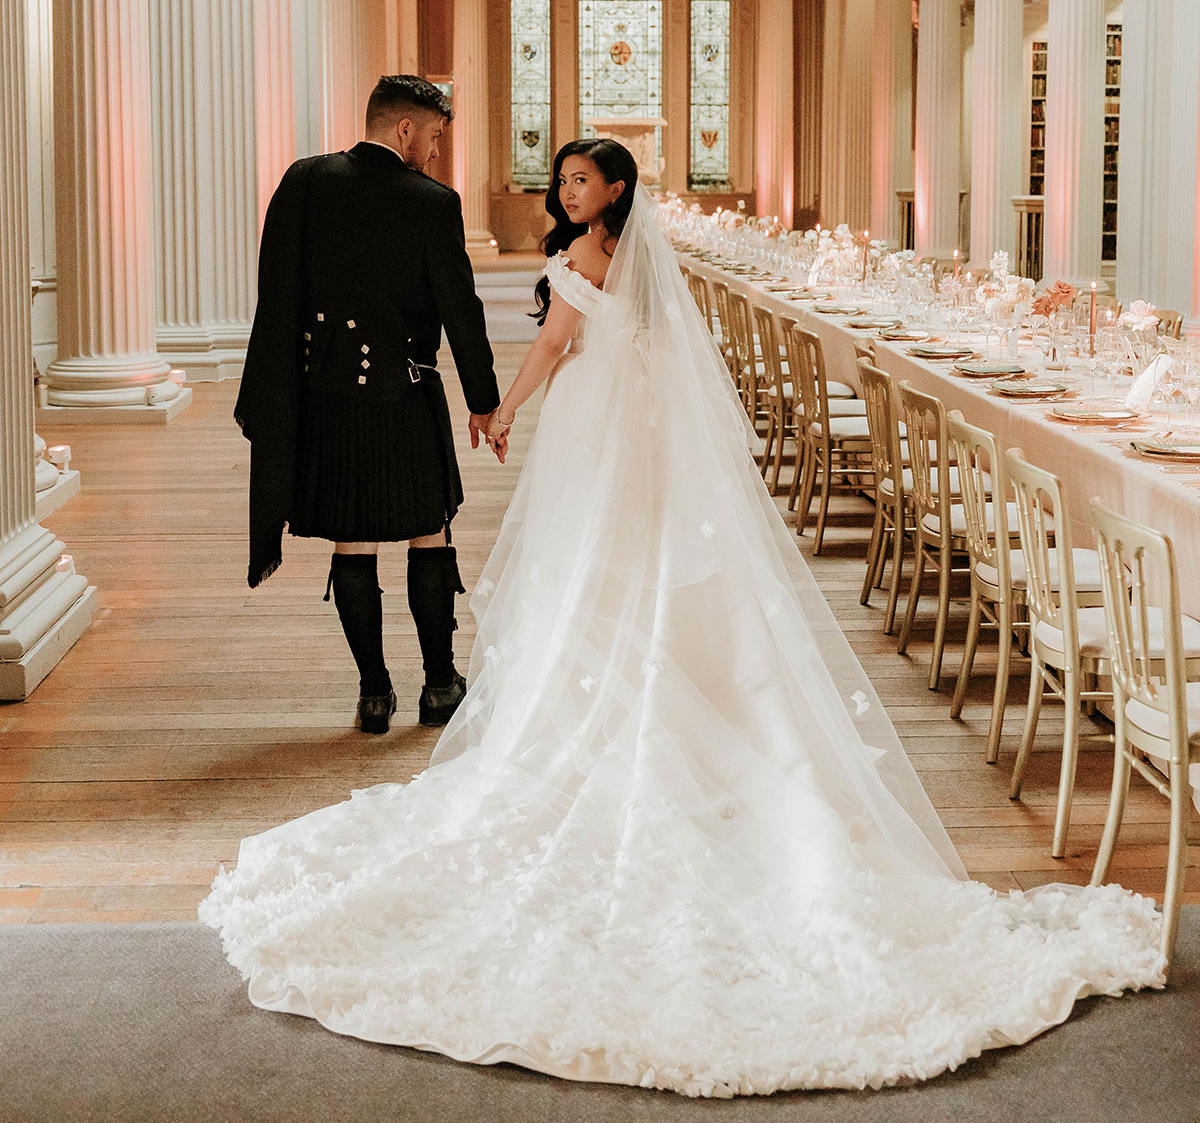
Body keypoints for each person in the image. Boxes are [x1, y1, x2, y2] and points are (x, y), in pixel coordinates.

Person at [203, 138, 1163, 1096]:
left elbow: (551, 345)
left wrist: (499, 412)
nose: (566, 191)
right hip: (638, 432)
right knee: (642, 567)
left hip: (595, 432)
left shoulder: (585, 259)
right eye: (563, 180)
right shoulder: (641, 262)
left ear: (616, 189)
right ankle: (680, 700)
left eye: (581, 180)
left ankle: (601, 708)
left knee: (594, 568)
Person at [234, 74, 500, 734]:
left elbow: (278, 290)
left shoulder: (305, 181)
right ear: (405, 130)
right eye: (434, 137)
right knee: (428, 535)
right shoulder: (431, 203)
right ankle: (440, 687)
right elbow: (459, 310)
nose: (436, 152)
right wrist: (484, 400)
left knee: (353, 546)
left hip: (330, 397)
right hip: (406, 397)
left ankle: (374, 693)